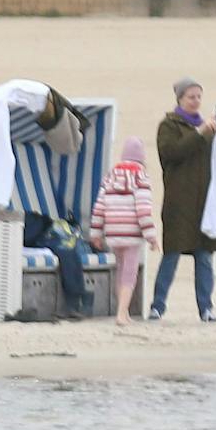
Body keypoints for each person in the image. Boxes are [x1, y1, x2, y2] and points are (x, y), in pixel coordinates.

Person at [153, 78, 216, 323]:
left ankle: (206, 308)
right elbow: (172, 152)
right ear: (180, 99)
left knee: (204, 257)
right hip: (179, 203)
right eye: (191, 97)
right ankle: (157, 306)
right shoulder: (169, 125)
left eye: (199, 97)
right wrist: (199, 133)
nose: (196, 101)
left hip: (206, 204)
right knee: (172, 254)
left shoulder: (208, 127)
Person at [89, 135, 160, 326]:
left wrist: (95, 233)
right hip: (132, 234)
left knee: (120, 271)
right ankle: (122, 314)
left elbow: (99, 207)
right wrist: (152, 237)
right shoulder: (141, 178)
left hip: (113, 232)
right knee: (130, 273)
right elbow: (143, 211)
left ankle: (124, 312)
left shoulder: (110, 177)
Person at [21, 210, 92, 320]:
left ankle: (76, 302)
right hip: (43, 231)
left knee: (66, 252)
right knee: (66, 252)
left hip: (43, 232)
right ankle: (78, 301)